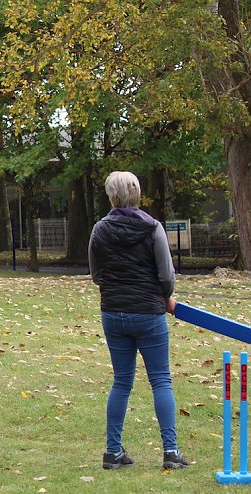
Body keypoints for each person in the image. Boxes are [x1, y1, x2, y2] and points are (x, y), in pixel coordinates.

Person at [88, 171, 189, 470]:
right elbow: (166, 276)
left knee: (121, 382)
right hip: (149, 313)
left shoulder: (99, 230)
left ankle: (113, 452)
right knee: (160, 380)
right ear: (137, 194)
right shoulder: (153, 228)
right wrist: (163, 296)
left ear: (111, 197)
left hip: (113, 312)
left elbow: (97, 275)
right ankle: (170, 452)